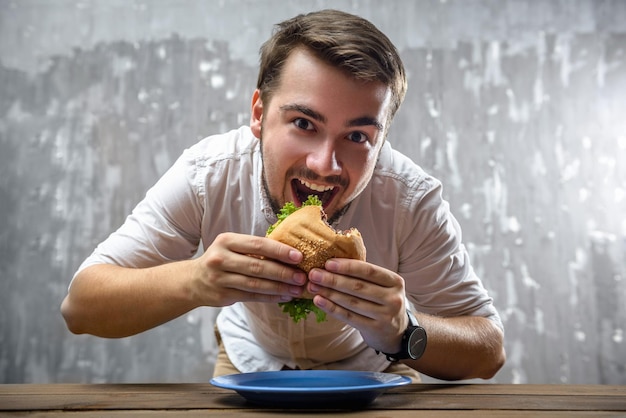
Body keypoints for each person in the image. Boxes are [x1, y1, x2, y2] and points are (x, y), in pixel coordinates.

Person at [61, 9, 505, 382]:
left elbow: (489, 350)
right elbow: (81, 307)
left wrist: (403, 330)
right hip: (247, 361)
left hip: (378, 373)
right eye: (303, 124)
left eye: (357, 135)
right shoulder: (208, 175)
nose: (324, 165)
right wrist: (194, 280)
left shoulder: (410, 198)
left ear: (383, 139)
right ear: (259, 114)